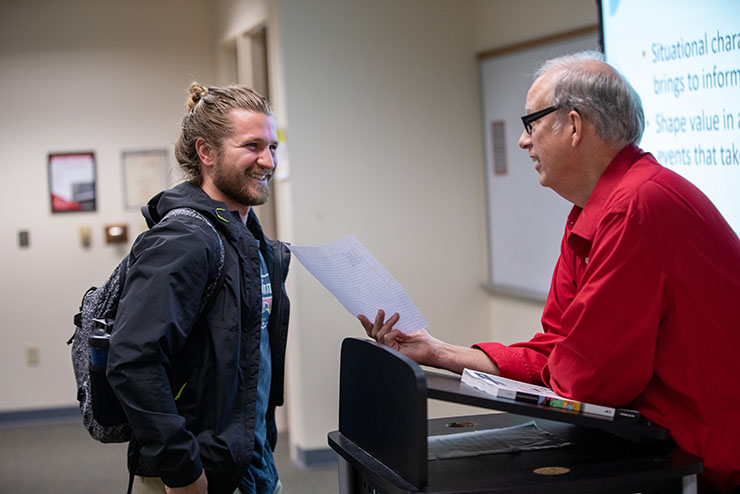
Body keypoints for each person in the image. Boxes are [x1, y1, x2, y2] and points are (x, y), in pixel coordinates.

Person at [359, 51, 740, 492]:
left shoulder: (637, 207)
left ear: (574, 126)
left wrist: (558, 369)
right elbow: (559, 350)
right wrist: (438, 352)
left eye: (531, 123)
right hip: (666, 449)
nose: (523, 141)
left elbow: (588, 381)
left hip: (708, 462)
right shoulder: (592, 210)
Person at [107, 82, 290, 494]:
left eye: (273, 146)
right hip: (196, 474)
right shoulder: (184, 240)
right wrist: (182, 471)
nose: (268, 160)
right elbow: (133, 362)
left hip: (251, 461)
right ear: (206, 153)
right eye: (252, 146)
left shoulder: (250, 241)